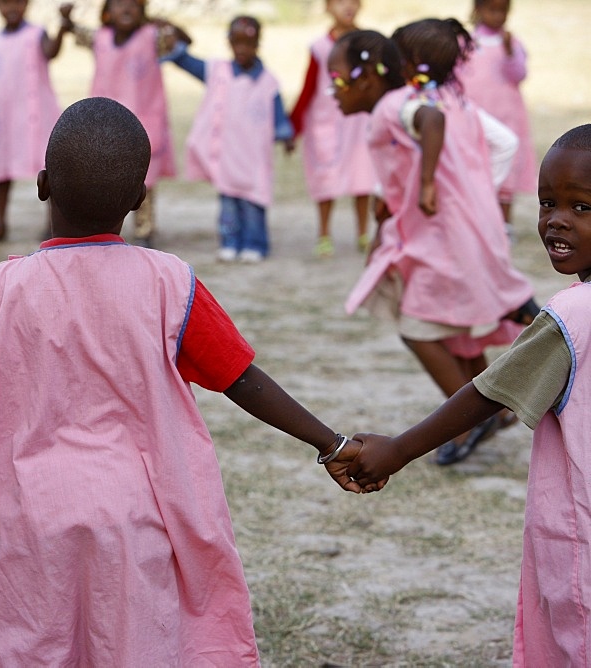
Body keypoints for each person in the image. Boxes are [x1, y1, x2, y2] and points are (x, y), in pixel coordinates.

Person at [0, 97, 369, 665]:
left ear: (42, 184)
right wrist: (332, 443)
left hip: (33, 523)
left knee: (35, 646)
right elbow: (241, 379)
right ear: (138, 199)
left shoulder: (1, 290)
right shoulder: (169, 282)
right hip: (145, 520)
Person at [348, 124, 591, 665]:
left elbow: (489, 393)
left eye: (583, 207)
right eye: (548, 201)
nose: (556, 219)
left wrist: (399, 449)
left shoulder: (572, 315)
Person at [327, 23, 536, 466]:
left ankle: (471, 417)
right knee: (453, 329)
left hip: (444, 240)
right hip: (442, 236)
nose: (333, 91)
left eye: (336, 80)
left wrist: (425, 186)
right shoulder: (421, 100)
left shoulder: (394, 105)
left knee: (419, 328)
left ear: (366, 79)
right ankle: (492, 405)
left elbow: (433, 124)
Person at [162, 16, 294, 263]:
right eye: (237, 43)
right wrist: (175, 47)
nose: (242, 49)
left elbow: (278, 114)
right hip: (228, 154)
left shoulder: (268, 81)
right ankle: (230, 242)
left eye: (248, 44)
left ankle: (255, 244)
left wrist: (285, 135)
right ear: (230, 43)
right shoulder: (218, 71)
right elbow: (190, 63)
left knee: (254, 201)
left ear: (258, 44)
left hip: (254, 155)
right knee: (229, 203)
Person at [69, 0, 190, 247]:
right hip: (104, 121)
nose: (126, 9)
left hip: (144, 119)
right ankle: (104, 228)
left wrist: (167, 24)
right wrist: (66, 20)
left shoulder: (152, 37)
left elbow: (184, 42)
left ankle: (144, 230)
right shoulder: (100, 39)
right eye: (119, 4)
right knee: (103, 175)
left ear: (142, 11)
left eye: (133, 5)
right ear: (107, 12)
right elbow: (76, 32)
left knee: (145, 178)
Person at [0, 0, 72, 243]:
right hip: (2, 119)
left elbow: (51, 51)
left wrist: (63, 27)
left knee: (50, 170)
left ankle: (52, 225)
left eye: (18, 3)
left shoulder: (36, 34)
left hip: (34, 117)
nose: (12, 8)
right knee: (2, 172)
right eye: (5, 3)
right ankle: (0, 223)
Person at [288, 0, 375, 257]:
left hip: (359, 123)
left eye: (353, 1)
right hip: (326, 121)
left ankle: (363, 233)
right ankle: (324, 234)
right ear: (327, 7)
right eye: (339, 2)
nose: (347, 7)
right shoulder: (319, 47)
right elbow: (308, 87)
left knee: (363, 177)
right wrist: (294, 126)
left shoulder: (369, 43)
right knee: (326, 178)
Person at [458, 0, 538, 235]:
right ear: (478, 10)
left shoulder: (511, 42)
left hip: (507, 116)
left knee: (508, 173)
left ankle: (504, 226)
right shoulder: (466, 42)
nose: (498, 15)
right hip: (477, 117)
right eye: (492, 9)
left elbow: (520, 74)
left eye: (503, 10)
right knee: (476, 167)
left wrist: (510, 52)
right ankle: (476, 223)